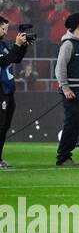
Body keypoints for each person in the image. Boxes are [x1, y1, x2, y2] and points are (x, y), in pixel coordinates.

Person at [54, 12, 79, 166]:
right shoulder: (68, 44)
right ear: (77, 24)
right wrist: (65, 88)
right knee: (72, 124)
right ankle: (63, 157)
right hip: (73, 92)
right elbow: (60, 67)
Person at [0, 16, 33, 168]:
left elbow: (15, 59)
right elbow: (4, 61)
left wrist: (23, 46)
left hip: (7, 89)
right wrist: (16, 45)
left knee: (4, 126)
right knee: (1, 125)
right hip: (1, 89)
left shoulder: (2, 44)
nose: (5, 32)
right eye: (3, 29)